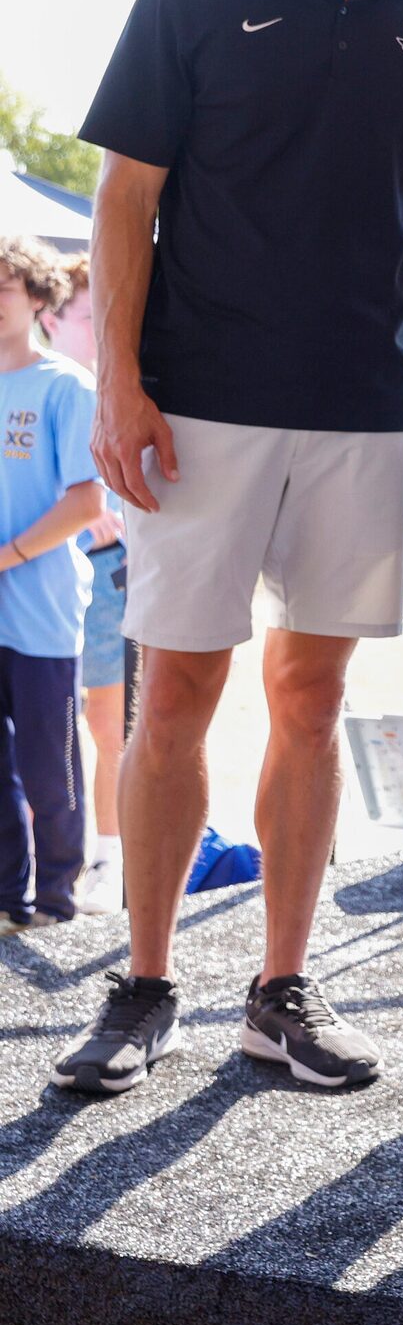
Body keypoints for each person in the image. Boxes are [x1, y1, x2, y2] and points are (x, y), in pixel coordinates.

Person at [55, 0, 403, 1095]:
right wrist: (118, 380)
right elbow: (125, 196)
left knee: (315, 695)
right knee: (175, 692)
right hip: (196, 401)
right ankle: (144, 981)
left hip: (358, 401)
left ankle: (279, 990)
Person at [0, 238, 103, 933]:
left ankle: (59, 901)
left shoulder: (65, 386)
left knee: (49, 768)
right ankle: (9, 898)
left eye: (3, 287)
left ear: (38, 300)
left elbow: (87, 503)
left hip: (39, 613)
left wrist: (7, 555)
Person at [43, 258, 129, 917]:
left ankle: (109, 859)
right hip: (36, 576)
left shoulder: (123, 383)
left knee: (109, 723)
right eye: (86, 313)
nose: (102, 325)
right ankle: (48, 862)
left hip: (109, 575)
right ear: (50, 319)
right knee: (42, 725)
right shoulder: (38, 387)